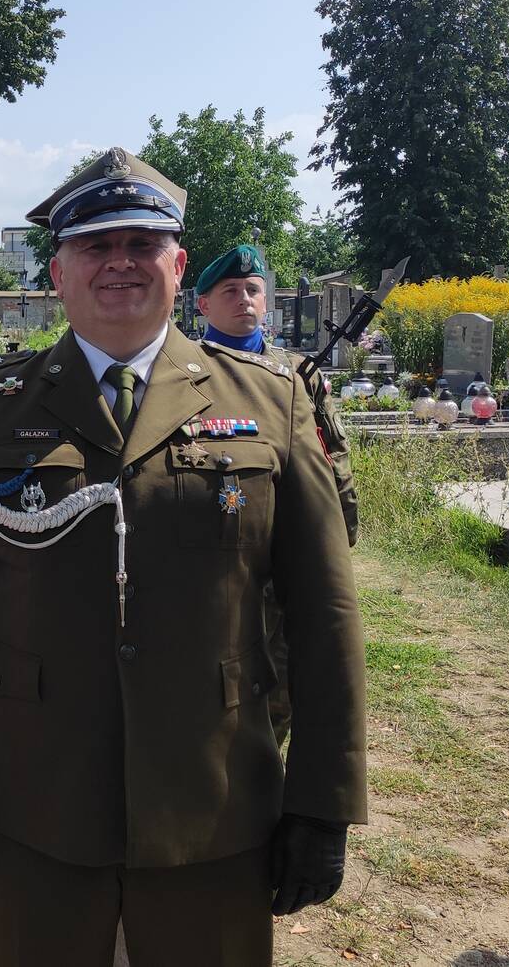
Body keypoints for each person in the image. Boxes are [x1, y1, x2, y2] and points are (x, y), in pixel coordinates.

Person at [0, 149, 366, 966]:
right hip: (35, 806)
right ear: (59, 274)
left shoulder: (271, 403)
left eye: (142, 244)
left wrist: (322, 804)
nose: (120, 263)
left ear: (178, 266)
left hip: (214, 805)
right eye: (95, 246)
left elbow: (325, 616)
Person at [194, 244, 361, 744]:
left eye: (253, 291)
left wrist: (342, 524)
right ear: (203, 304)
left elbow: (333, 453)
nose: (244, 300)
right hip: (220, 545)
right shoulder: (184, 372)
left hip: (289, 542)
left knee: (285, 672)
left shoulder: (299, 375)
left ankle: (269, 764)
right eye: (230, 291)